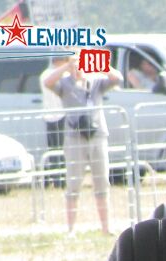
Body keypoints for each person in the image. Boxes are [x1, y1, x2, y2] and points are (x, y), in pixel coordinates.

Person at [43, 55, 122, 235]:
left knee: (102, 182)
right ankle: (71, 229)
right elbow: (47, 82)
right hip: (74, 138)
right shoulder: (64, 84)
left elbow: (117, 78)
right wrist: (66, 67)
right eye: (75, 65)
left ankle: (106, 228)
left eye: (80, 64)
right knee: (73, 183)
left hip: (97, 136)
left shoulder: (96, 83)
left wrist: (98, 64)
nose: (78, 68)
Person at [38, 56, 67, 188]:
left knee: (63, 149)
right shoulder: (47, 74)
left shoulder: (63, 74)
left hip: (62, 115)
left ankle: (62, 178)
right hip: (51, 116)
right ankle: (57, 179)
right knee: (54, 149)